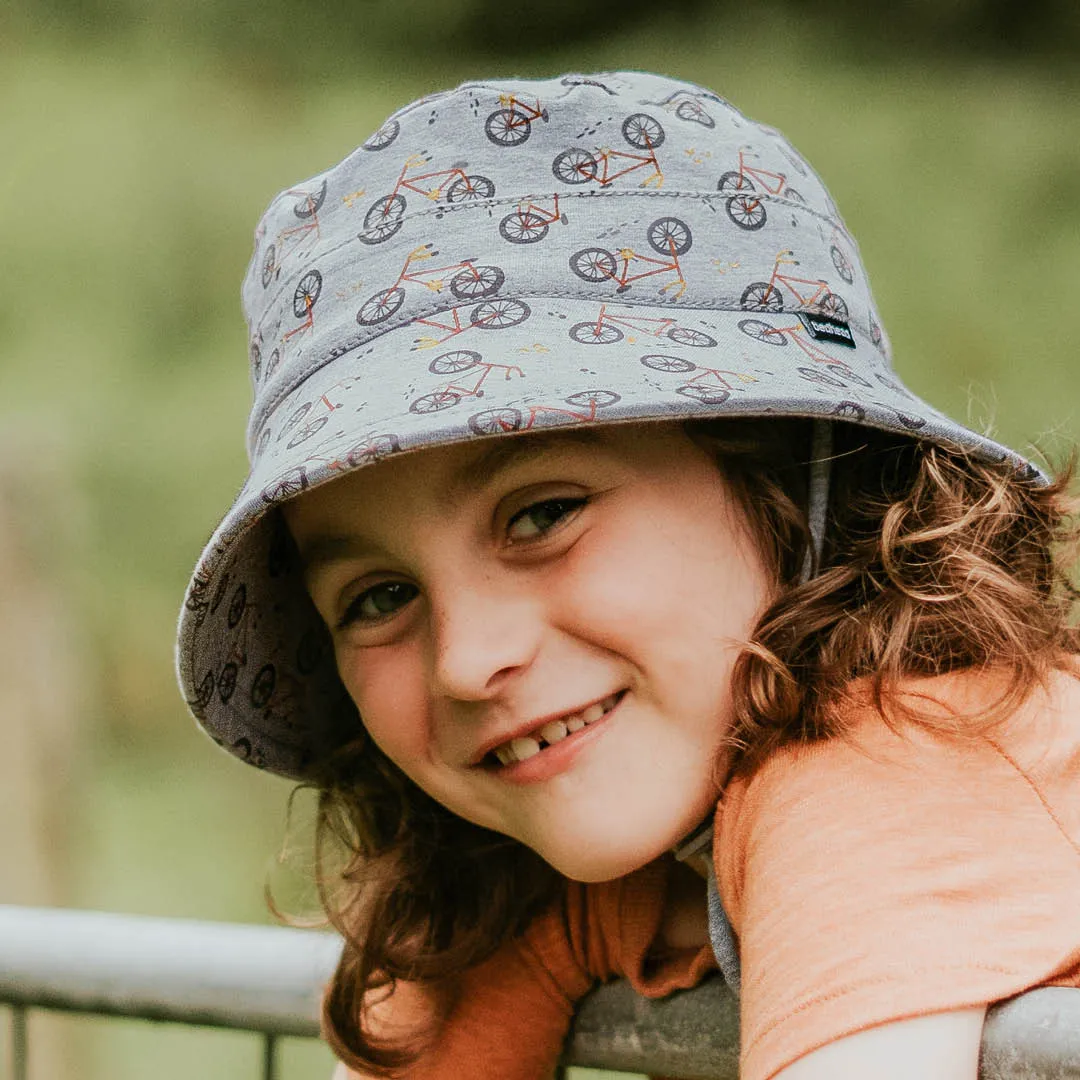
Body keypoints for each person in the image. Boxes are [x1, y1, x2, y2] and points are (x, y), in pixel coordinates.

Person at [176, 72, 1080, 1080]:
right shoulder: (572, 867)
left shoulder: (906, 771)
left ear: (790, 473)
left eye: (543, 515)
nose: (469, 663)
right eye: (380, 597)